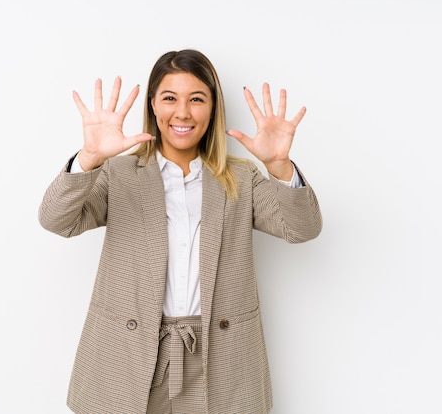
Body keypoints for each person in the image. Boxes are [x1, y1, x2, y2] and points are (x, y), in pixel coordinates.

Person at [39, 49, 322, 414]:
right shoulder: (118, 175)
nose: (183, 112)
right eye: (170, 98)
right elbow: (56, 220)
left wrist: (280, 167)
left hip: (220, 360)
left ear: (213, 108)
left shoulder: (241, 179)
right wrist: (89, 159)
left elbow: (302, 228)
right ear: (153, 105)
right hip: (131, 355)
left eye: (197, 99)